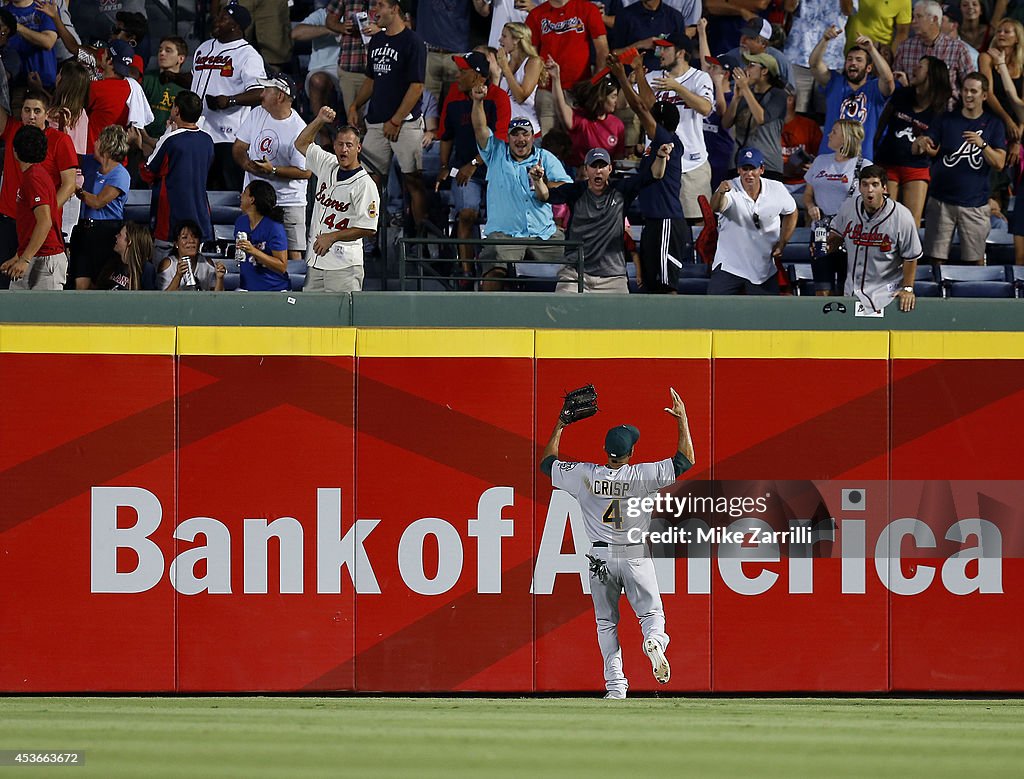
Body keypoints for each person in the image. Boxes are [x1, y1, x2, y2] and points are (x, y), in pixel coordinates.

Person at [539, 387, 695, 700]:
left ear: (605, 450)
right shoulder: (642, 475)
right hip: (635, 556)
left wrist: (560, 424)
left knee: (606, 623)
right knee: (651, 616)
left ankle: (616, 686)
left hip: (600, 560)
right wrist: (682, 420)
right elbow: (685, 460)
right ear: (630, 453)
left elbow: (547, 464)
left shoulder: (584, 474)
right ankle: (653, 641)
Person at [533, 144, 673, 292]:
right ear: (586, 169)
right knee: (560, 311)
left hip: (613, 277)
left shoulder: (621, 190)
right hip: (575, 273)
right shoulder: (575, 191)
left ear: (610, 169)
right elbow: (545, 196)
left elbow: (656, 174)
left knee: (621, 315)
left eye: (602, 166)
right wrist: (538, 181)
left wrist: (661, 157)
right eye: (594, 166)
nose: (598, 171)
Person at [472, 92, 572, 291]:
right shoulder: (495, 153)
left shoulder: (546, 157)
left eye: (525, 134)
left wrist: (542, 183)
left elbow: (567, 187)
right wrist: (477, 101)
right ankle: (487, 319)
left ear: (532, 137)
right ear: (507, 138)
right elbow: (480, 128)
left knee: (575, 264)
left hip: (544, 234)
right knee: (495, 271)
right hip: (505, 235)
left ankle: (566, 319)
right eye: (515, 134)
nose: (520, 139)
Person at [609, 52, 690, 292]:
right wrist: (640, 73)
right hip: (654, 221)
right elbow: (649, 104)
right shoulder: (661, 139)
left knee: (666, 286)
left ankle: (674, 330)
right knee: (652, 285)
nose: (646, 118)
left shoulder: (665, 139)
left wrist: (623, 77)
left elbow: (640, 106)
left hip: (666, 220)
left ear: (658, 123)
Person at [346, 0, 428, 231]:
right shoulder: (377, 41)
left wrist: (396, 120)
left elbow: (417, 86)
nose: (375, 11)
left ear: (395, 9)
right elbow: (371, 79)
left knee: (413, 180)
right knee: (369, 181)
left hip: (406, 124)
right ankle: (369, 237)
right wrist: (355, 105)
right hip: (376, 122)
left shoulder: (414, 42)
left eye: (381, 5)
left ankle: (418, 241)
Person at [912, 71, 1006, 265]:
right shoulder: (945, 119)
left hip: (976, 203)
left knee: (976, 261)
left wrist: (982, 145)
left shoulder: (994, 124)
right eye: (965, 90)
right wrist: (921, 143)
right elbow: (923, 148)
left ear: (984, 96)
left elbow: (999, 163)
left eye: (974, 91)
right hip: (941, 201)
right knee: (935, 260)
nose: (968, 95)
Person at [437, 51, 511, 275]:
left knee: (499, 220)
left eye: (462, 72)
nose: (457, 76)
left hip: (495, 169)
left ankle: (498, 269)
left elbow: (501, 139)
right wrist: (443, 166)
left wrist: (475, 163)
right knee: (467, 214)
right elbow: (446, 135)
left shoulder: (498, 97)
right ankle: (466, 272)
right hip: (462, 169)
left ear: (478, 77)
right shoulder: (454, 97)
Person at [295, 107, 379, 292]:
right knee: (313, 318)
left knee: (342, 320)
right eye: (340, 144)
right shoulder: (327, 163)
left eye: (349, 145)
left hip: (344, 266)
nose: (344, 149)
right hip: (316, 260)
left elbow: (368, 227)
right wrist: (319, 120)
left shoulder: (365, 184)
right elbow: (301, 143)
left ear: (358, 147)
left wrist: (333, 236)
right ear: (334, 146)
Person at [233, 73, 311, 261]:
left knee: (293, 252)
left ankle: (293, 289)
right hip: (255, 199)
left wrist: (273, 171)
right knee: (248, 248)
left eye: (266, 90)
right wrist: (247, 165)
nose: (261, 95)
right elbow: (239, 147)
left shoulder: (299, 129)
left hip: (287, 200)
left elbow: (306, 172)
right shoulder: (257, 113)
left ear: (280, 96)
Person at [191, 1, 267, 191]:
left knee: (228, 192)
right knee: (200, 190)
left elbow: (260, 92)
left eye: (223, 18)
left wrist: (230, 100)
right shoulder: (204, 47)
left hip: (228, 136)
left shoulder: (249, 55)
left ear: (235, 25)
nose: (216, 21)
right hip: (198, 131)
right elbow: (197, 81)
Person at [0, 88, 77, 270]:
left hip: (40, 226)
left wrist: (45, 211)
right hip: (9, 221)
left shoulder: (60, 140)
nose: (31, 116)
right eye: (27, 110)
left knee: (36, 284)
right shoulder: (13, 131)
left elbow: (69, 184)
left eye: (37, 111)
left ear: (47, 114)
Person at [829, 165, 922, 313]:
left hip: (887, 294)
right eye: (865, 185)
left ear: (884, 188)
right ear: (859, 187)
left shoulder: (902, 216)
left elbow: (911, 256)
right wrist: (824, 245)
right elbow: (836, 235)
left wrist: (908, 288)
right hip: (851, 291)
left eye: (875, 184)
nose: (869, 190)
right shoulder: (848, 207)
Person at [135, 90, 215, 261]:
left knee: (164, 273)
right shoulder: (208, 140)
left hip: (170, 218)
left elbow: (147, 172)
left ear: (176, 111)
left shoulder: (170, 140)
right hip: (199, 215)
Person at [708, 146, 797, 295]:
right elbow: (717, 207)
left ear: (761, 169)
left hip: (763, 269)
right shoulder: (730, 188)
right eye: (745, 168)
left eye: (753, 169)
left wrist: (783, 242)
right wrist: (720, 192)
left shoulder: (776, 189)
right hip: (730, 266)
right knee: (712, 312)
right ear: (738, 170)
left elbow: (792, 212)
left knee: (766, 317)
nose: (749, 174)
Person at [875, 55, 951, 226]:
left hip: (916, 167)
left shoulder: (939, 109)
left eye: (921, 66)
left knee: (911, 222)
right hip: (888, 162)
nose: (915, 68)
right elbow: (881, 124)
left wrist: (923, 146)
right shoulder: (901, 95)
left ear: (931, 75)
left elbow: (935, 149)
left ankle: (909, 253)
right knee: (884, 218)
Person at [645, 33, 713, 220]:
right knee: (659, 224)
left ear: (681, 53)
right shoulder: (651, 78)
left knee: (697, 222)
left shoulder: (700, 78)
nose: (661, 53)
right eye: (660, 48)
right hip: (659, 164)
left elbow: (706, 108)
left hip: (692, 164)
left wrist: (678, 88)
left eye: (666, 48)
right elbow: (621, 105)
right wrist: (632, 78)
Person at [804, 120, 869, 295]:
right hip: (820, 230)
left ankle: (845, 322)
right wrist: (810, 207)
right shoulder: (821, 161)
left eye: (834, 132)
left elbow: (872, 201)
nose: (829, 135)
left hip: (849, 232)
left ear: (846, 138)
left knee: (847, 287)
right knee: (822, 287)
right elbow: (808, 194)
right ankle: (824, 321)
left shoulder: (863, 166)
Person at [810, 28, 896, 160]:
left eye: (858, 60)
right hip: (828, 158)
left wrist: (871, 50)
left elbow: (888, 79)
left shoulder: (874, 89)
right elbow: (815, 65)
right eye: (849, 59)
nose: (853, 63)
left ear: (868, 68)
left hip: (860, 160)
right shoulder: (835, 82)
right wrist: (825, 40)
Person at [526, 0, 609, 135]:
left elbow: (603, 51)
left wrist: (595, 85)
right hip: (547, 90)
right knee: (549, 143)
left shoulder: (588, 9)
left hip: (579, 90)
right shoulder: (536, 14)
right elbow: (530, 55)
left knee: (579, 141)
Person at [0, 126, 66, 288]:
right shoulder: (34, 175)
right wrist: (19, 255)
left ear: (14, 151)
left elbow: (44, 221)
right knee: (16, 312)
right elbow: (32, 225)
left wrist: (25, 259)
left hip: (45, 261)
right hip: (34, 257)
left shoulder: (34, 178)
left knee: (45, 314)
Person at [69, 125, 130, 289]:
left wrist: (74, 188)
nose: (94, 143)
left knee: (100, 283)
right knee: (80, 282)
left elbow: (97, 202)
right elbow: (68, 156)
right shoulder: (91, 163)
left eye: (97, 140)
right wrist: (63, 127)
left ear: (106, 145)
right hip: (84, 229)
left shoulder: (121, 175)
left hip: (106, 233)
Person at [547, 58, 625, 169]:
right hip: (577, 174)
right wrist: (556, 78)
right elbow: (560, 106)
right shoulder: (580, 119)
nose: (616, 100)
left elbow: (618, 157)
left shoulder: (617, 124)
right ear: (601, 98)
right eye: (613, 96)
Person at [721, 51, 787, 178]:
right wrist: (736, 98)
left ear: (764, 71)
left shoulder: (778, 95)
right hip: (739, 162)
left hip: (767, 164)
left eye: (751, 65)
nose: (746, 69)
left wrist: (745, 89)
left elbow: (761, 118)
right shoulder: (745, 93)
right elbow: (726, 123)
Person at [894, 0, 973, 97]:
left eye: (919, 17)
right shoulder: (905, 48)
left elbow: (971, 84)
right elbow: (896, 80)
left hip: (947, 109)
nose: (913, 21)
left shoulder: (958, 49)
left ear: (934, 19)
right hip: (911, 107)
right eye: (913, 17)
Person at [978, 19, 1024, 169]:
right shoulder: (986, 58)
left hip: (1017, 127)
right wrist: (1007, 120)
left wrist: (1017, 141)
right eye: (998, 31)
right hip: (992, 120)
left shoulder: (1022, 66)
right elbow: (988, 94)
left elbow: (1022, 106)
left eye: (1006, 31)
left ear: (1017, 38)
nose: (1001, 34)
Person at [234, 180, 289, 291]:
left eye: (244, 193)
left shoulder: (274, 227)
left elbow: (281, 266)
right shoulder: (240, 222)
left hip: (274, 290)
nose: (241, 195)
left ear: (252, 199)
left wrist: (254, 251)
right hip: (247, 288)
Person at [291, 2, 343, 120]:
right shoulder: (322, 14)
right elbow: (296, 33)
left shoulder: (362, 13)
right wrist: (332, 28)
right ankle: (322, 133)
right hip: (324, 69)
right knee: (318, 80)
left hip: (355, 69)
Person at [325, 0, 374, 119]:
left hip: (377, 68)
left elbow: (405, 23)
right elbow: (330, 20)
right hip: (350, 66)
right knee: (354, 121)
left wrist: (381, 29)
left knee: (373, 121)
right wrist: (342, 27)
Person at [610, 0, 687, 74]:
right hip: (634, 80)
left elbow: (682, 55)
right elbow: (614, 55)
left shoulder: (675, 17)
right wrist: (639, 45)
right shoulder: (625, 15)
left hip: (666, 80)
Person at [495, 21, 544, 136]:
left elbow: (521, 97)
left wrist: (505, 69)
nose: (500, 40)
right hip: (506, 130)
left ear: (516, 40)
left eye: (504, 36)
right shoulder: (504, 63)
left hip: (527, 132)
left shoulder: (533, 62)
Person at [141, 36, 189, 145]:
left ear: (181, 58)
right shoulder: (147, 79)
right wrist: (147, 140)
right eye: (160, 50)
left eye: (168, 51)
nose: (162, 53)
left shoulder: (187, 87)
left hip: (173, 143)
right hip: (143, 142)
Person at [158, 219, 226, 291]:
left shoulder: (207, 263)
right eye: (185, 237)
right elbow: (163, 298)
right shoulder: (167, 265)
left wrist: (219, 278)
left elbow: (216, 298)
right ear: (176, 243)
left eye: (195, 237)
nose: (191, 241)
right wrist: (178, 276)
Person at [4, 0, 57, 88]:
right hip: (15, 84)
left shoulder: (45, 8)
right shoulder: (3, 13)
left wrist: (18, 27)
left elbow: (48, 42)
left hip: (44, 82)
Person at [781, 83, 822, 198]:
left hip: (804, 184)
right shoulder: (768, 126)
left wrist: (814, 166)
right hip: (778, 183)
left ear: (790, 100)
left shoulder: (809, 126)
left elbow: (822, 157)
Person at [97, 221, 152, 290]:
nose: (116, 236)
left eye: (120, 235)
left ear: (129, 242)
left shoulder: (146, 269)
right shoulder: (112, 263)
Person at [843, 0, 913, 54]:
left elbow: (902, 32)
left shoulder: (904, 1)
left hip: (878, 55)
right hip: (847, 52)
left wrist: (891, 57)